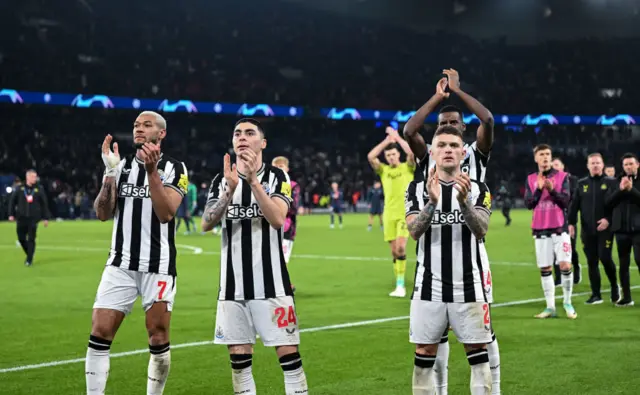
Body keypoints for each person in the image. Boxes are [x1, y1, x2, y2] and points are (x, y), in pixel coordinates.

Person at [403, 69, 500, 395]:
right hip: (431, 264)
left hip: (473, 253)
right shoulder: (425, 163)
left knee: (482, 336)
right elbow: (410, 130)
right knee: (433, 341)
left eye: (453, 124)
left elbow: (487, 120)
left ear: (463, 134)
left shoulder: (475, 154)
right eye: (441, 127)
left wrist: (458, 92)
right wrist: (439, 98)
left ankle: (493, 387)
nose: (446, 127)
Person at [201, 118, 308, 395]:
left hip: (272, 285)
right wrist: (228, 191)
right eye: (237, 133)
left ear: (263, 143)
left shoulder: (277, 177)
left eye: (250, 133)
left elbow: (277, 219)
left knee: (289, 359)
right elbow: (206, 223)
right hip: (232, 288)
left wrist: (251, 182)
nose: (242, 138)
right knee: (239, 362)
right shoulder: (221, 179)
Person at [85, 111, 188, 395]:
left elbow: (166, 213)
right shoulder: (121, 166)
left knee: (158, 335)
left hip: (159, 265)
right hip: (120, 262)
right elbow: (103, 213)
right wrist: (109, 173)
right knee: (100, 331)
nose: (138, 129)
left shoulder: (175, 169)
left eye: (146, 125)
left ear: (161, 133)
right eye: (135, 125)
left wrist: (151, 172)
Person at [524, 144, 576, 319]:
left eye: (547, 154)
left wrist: (552, 190)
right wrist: (539, 189)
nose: (545, 157)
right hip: (540, 229)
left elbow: (565, 202)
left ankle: (568, 302)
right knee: (545, 268)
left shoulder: (563, 177)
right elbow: (529, 204)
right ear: (536, 158)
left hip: (560, 228)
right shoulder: (531, 179)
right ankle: (550, 307)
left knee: (565, 265)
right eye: (541, 154)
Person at [367, 126, 416, 297]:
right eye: (388, 155)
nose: (391, 157)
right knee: (394, 251)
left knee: (401, 248)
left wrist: (398, 138)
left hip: (405, 213)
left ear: (398, 155)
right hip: (389, 214)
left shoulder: (407, 167)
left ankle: (400, 285)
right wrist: (387, 141)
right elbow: (371, 156)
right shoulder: (384, 171)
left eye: (393, 154)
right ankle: (399, 282)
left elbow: (412, 153)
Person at [568, 153, 619, 304]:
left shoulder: (611, 182)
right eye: (592, 163)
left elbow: (617, 206)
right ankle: (596, 294)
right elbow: (574, 205)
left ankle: (614, 286)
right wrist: (571, 223)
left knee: (605, 257)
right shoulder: (582, 183)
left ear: (602, 165)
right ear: (588, 166)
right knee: (591, 261)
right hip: (587, 230)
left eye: (598, 163)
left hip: (605, 229)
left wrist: (608, 220)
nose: (595, 165)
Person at [605, 153, 640, 307]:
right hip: (621, 230)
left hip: (638, 229)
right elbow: (608, 203)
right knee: (623, 264)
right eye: (625, 164)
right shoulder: (616, 182)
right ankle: (626, 297)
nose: (628, 167)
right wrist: (620, 190)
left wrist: (631, 190)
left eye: (631, 164)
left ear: (637, 164)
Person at [7, 169, 50, 266]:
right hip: (21, 217)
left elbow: (44, 204)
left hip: (34, 218)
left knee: (31, 238)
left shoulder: (39, 189)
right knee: (21, 238)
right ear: (27, 177)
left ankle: (29, 259)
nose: (35, 178)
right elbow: (12, 202)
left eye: (35, 177)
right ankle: (30, 253)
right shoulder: (20, 188)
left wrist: (46, 218)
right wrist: (11, 214)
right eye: (33, 176)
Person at [272, 156, 301, 292]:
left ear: (287, 169)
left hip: (286, 228)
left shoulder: (292, 186)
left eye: (281, 167)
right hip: (268, 227)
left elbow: (294, 207)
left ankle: (282, 284)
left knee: (282, 258)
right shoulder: (265, 185)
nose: (278, 169)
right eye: (275, 167)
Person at [551, 158, 581, 285]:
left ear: (563, 166)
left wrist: (571, 221)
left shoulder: (572, 180)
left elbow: (573, 201)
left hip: (567, 219)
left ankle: (576, 269)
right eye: (553, 166)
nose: (555, 168)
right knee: (553, 249)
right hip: (551, 221)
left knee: (570, 248)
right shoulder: (548, 181)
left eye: (557, 165)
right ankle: (558, 277)